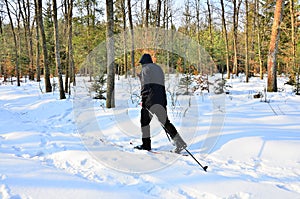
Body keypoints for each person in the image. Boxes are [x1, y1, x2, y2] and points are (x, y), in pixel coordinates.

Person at [134, 53, 187, 153]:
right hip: (162, 99)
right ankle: (180, 143)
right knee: (166, 122)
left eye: (142, 64)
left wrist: (143, 99)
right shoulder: (158, 69)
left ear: (144, 62)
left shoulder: (145, 69)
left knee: (144, 123)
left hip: (150, 101)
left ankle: (146, 145)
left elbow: (146, 86)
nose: (142, 65)